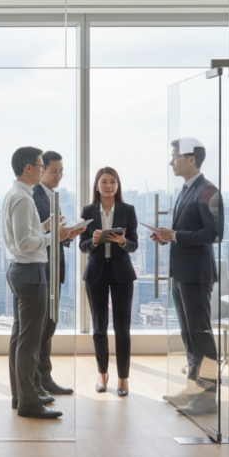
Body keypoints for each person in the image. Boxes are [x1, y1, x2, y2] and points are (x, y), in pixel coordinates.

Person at [152, 138, 224, 416]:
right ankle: (194, 390)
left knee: (201, 336)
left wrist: (177, 236)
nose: (172, 162)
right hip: (181, 274)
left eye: (175, 157)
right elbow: (185, 232)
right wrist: (168, 237)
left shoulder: (208, 191)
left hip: (196, 275)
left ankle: (207, 398)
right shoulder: (186, 190)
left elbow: (214, 234)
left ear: (191, 159)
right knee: (188, 335)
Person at [3, 146, 74, 419]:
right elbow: (24, 243)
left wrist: (44, 228)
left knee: (20, 339)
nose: (44, 170)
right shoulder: (23, 199)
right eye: (40, 165)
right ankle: (29, 403)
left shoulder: (16, 195)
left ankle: (20, 396)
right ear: (29, 168)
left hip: (20, 271)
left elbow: (23, 235)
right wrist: (52, 237)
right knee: (29, 343)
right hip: (30, 274)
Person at [78, 167, 138, 397]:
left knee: (123, 329)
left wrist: (123, 241)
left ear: (118, 185)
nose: (108, 186)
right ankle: (102, 374)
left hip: (122, 274)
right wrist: (93, 241)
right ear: (96, 186)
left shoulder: (128, 210)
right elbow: (82, 246)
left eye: (113, 182)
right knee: (99, 327)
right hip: (96, 275)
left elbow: (134, 243)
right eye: (104, 182)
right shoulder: (88, 211)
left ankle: (123, 378)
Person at [31, 151, 81, 398]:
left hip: (54, 269)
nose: (59, 176)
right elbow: (35, 237)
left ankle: (45, 378)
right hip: (42, 270)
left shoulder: (51, 196)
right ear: (41, 171)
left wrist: (67, 235)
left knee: (49, 327)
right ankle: (36, 383)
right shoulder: (34, 196)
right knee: (41, 330)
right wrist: (57, 234)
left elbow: (53, 236)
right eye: (54, 171)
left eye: (61, 171)